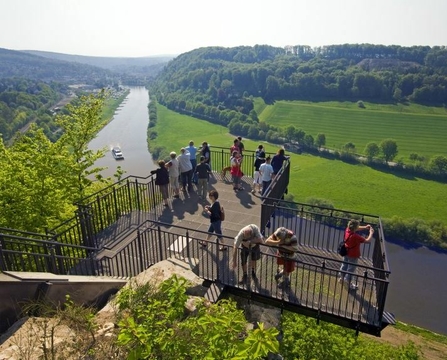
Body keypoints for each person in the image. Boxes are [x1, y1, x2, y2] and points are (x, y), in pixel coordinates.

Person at [338, 219, 374, 290]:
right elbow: (368, 241)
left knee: (344, 265)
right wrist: (371, 233)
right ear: (355, 228)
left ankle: (341, 278)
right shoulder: (355, 236)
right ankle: (347, 282)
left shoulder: (347, 229)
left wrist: (365, 227)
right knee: (351, 269)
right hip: (353, 254)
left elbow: (356, 228)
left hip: (346, 251)